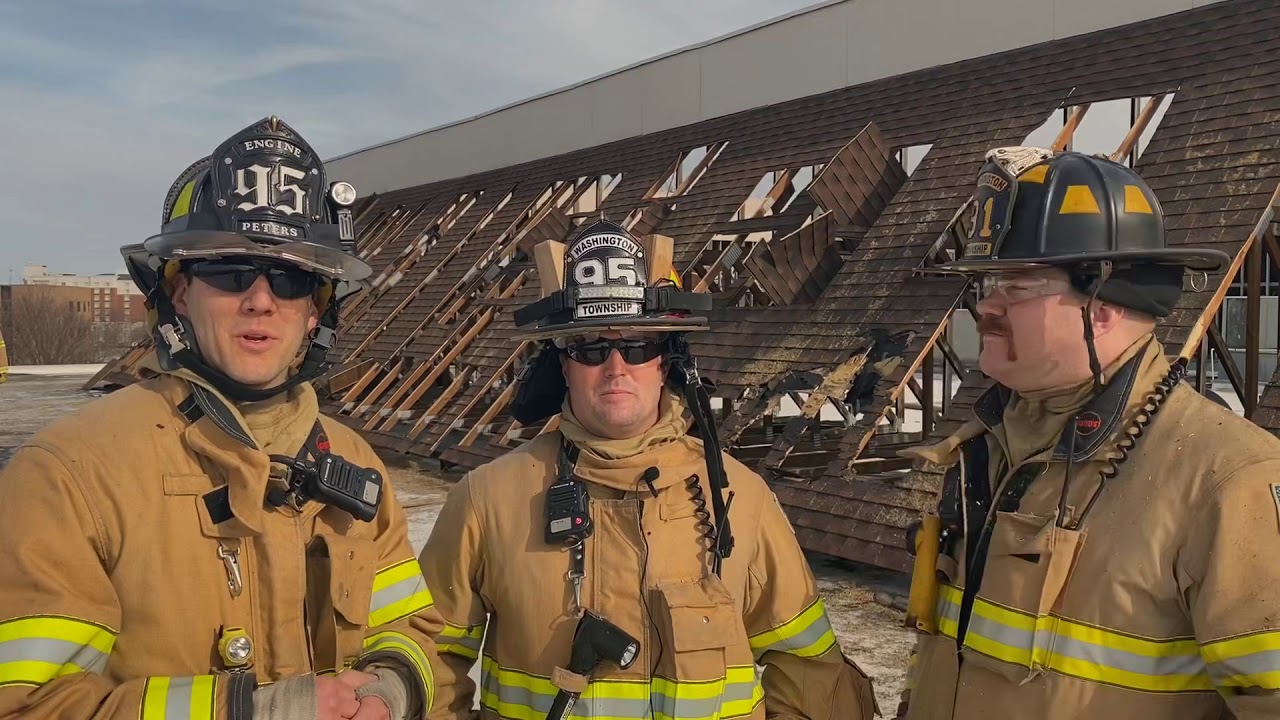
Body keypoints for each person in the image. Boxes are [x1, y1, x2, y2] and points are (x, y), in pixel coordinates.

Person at [0, 117, 444, 720]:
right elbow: (29, 705)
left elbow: (413, 632)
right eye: (230, 270)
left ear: (316, 313)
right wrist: (246, 710)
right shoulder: (69, 475)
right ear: (180, 293)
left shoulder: (355, 465)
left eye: (290, 279)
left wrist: (394, 686)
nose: (261, 299)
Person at [417, 220, 878, 719]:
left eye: (638, 346)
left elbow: (810, 668)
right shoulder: (488, 500)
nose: (616, 367)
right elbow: (429, 659)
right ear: (562, 365)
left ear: (666, 362)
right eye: (591, 348)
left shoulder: (741, 500)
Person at [896, 146, 1280, 718]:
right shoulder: (990, 445)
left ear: (1103, 302)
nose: (987, 309)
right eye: (984, 286)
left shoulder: (1227, 479)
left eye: (1015, 286)